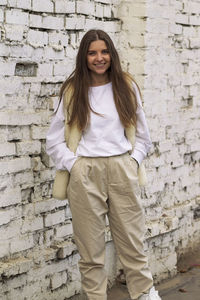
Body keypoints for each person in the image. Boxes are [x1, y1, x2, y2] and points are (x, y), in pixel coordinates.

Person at [46, 29, 161, 300]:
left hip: (122, 168)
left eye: (105, 51)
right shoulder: (73, 91)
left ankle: (144, 294)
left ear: (112, 53)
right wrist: (74, 165)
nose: (100, 58)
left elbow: (143, 136)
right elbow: (53, 140)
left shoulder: (126, 85)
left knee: (133, 242)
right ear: (84, 57)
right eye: (93, 52)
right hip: (85, 172)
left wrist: (133, 161)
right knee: (91, 249)